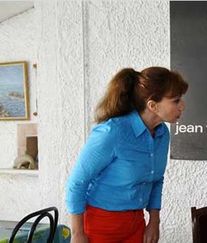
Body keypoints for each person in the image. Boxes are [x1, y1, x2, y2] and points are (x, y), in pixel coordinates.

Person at [65, 67, 188, 243]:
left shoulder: (162, 134)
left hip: (136, 223)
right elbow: (77, 182)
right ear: (152, 105)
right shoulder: (112, 132)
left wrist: (154, 221)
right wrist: (77, 234)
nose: (182, 105)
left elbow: (156, 180)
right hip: (100, 224)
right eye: (176, 101)